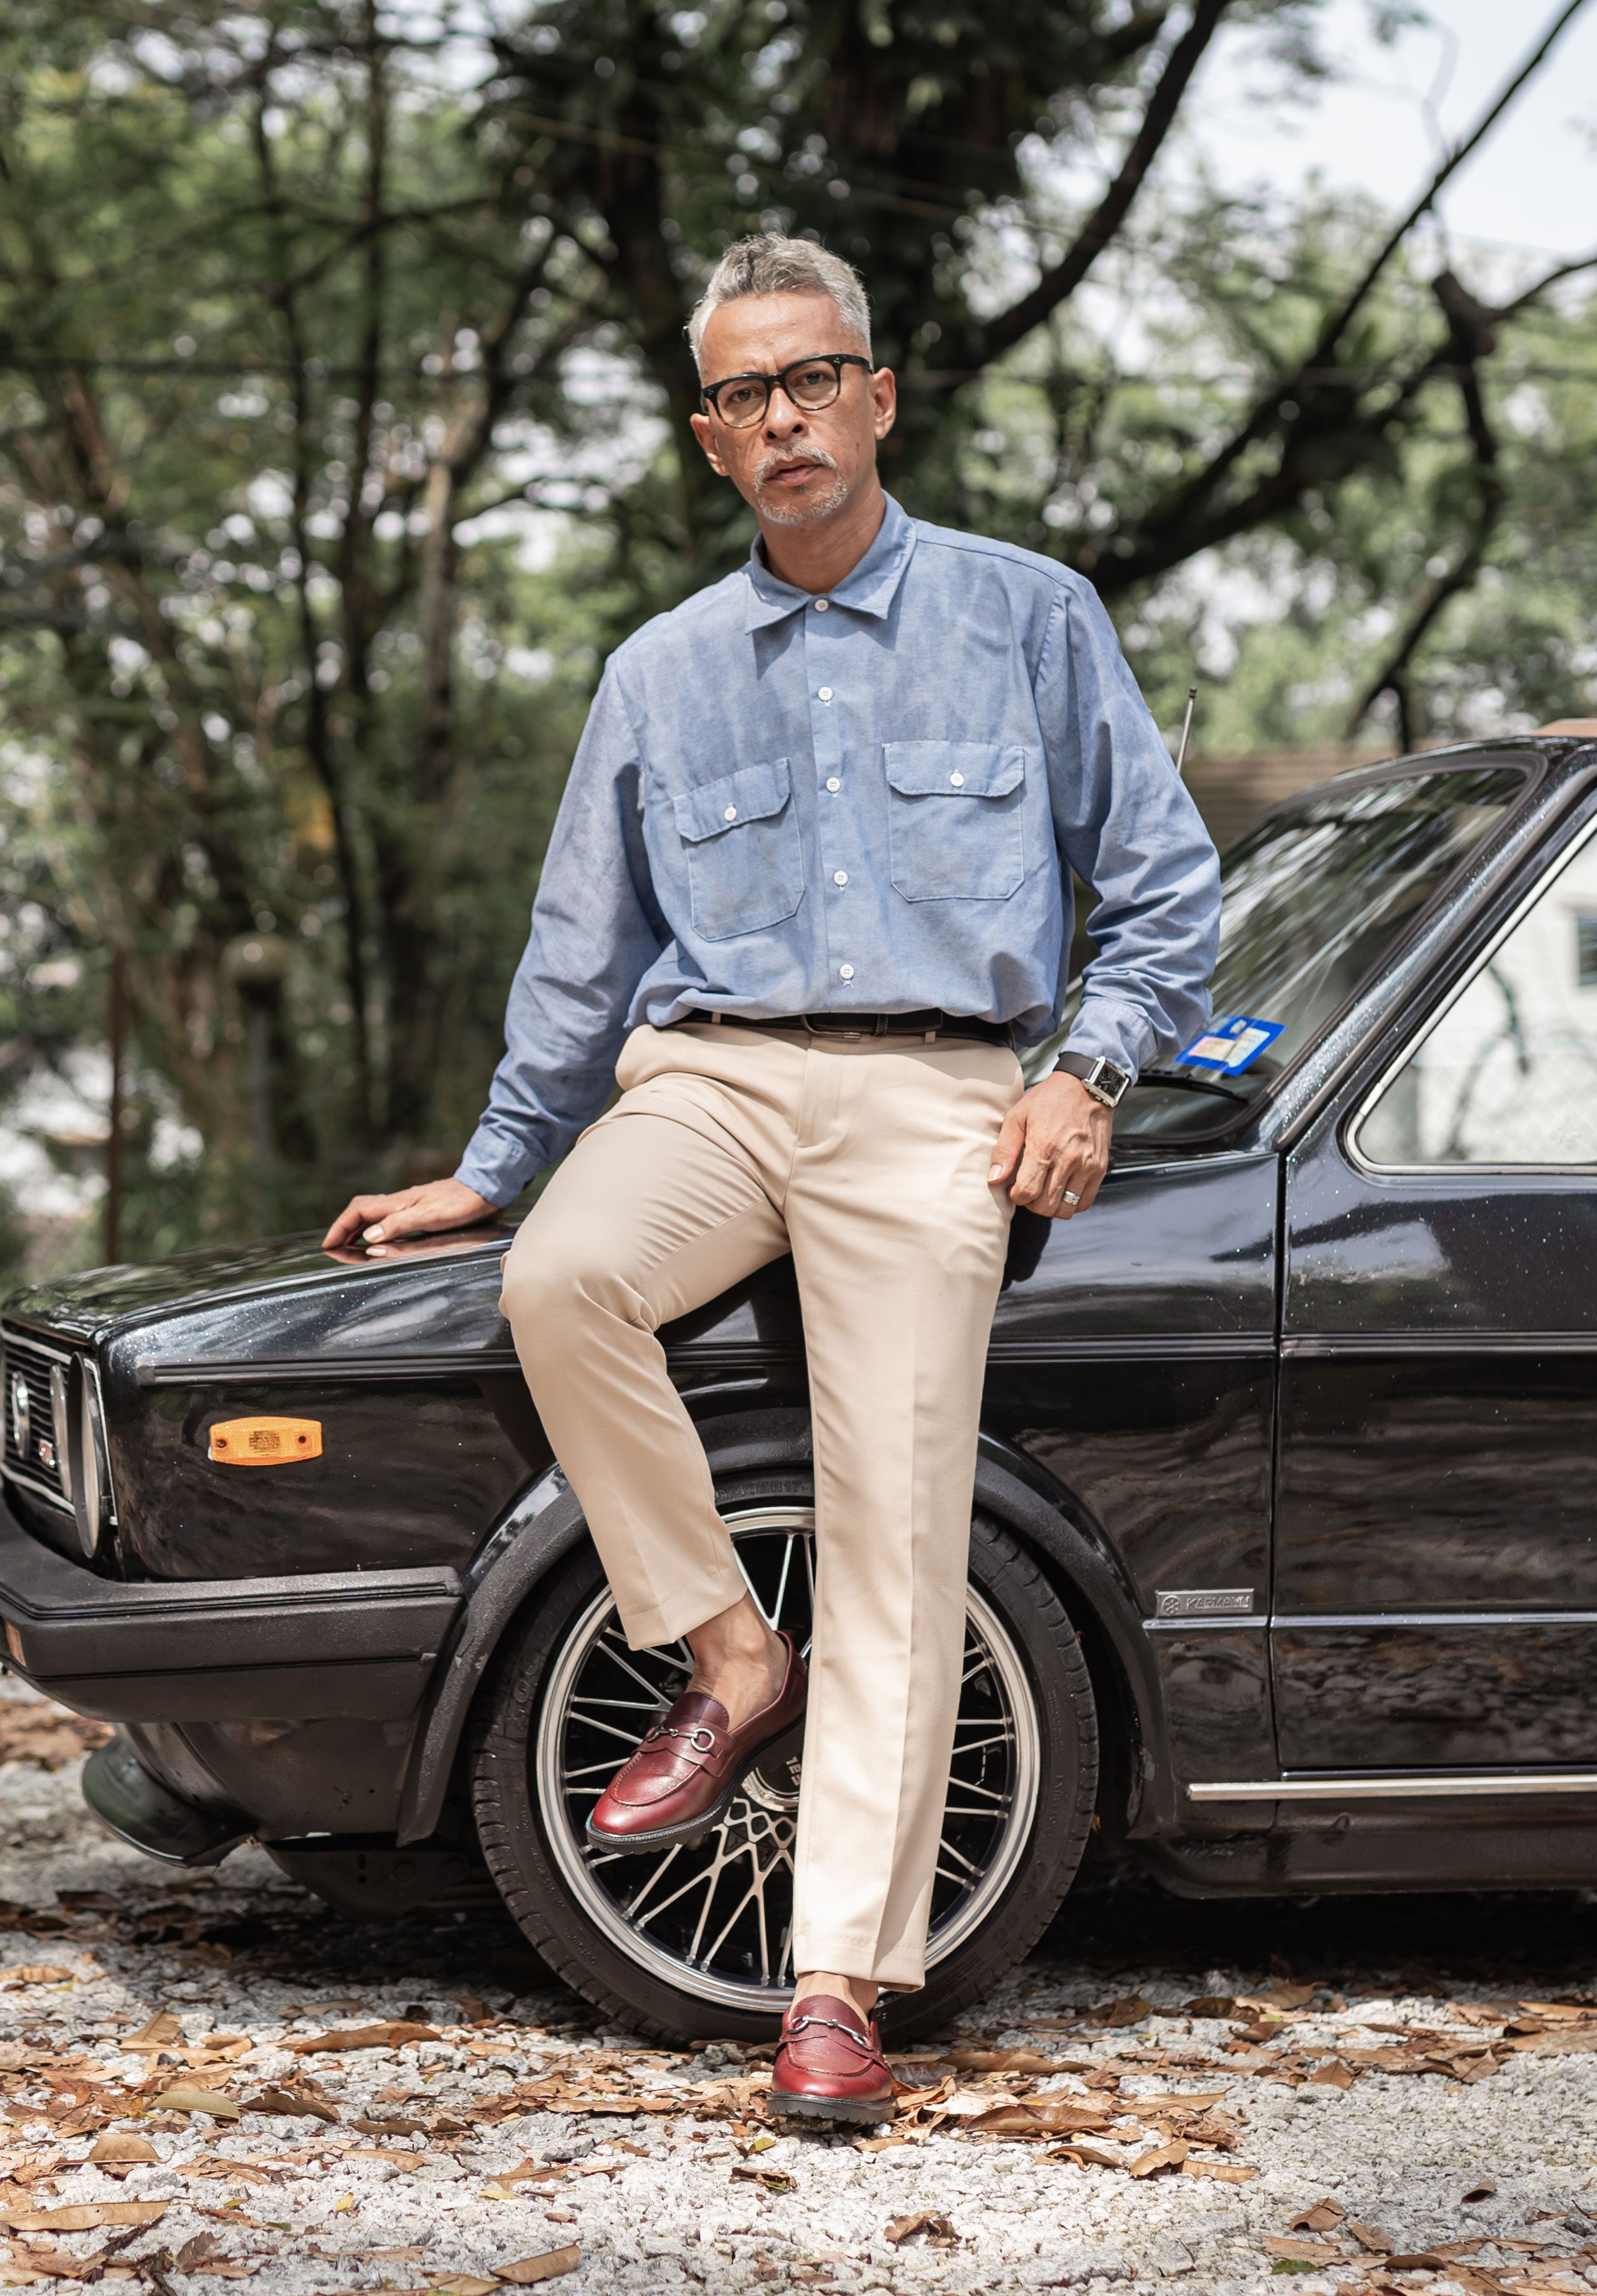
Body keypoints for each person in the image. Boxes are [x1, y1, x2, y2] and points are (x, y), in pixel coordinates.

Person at [325, 234, 1219, 2123]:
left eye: (810, 380)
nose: (782, 419)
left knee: (895, 1525)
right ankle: (731, 1654)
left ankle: (832, 1984)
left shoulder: (1029, 615)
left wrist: (1084, 1068)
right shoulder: (658, 675)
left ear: (876, 398)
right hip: (711, 1080)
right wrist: (491, 1170)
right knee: (562, 1281)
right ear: (708, 442)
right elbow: (580, 957)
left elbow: (1159, 892)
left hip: (933, 1093)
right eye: (742, 396)